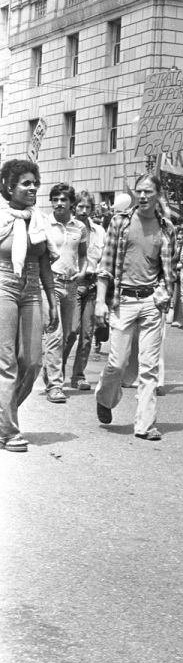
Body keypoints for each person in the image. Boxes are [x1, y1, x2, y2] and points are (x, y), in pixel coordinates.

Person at [94, 173, 175, 440]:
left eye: (148, 192)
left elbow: (168, 271)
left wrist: (163, 295)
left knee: (149, 368)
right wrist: (100, 302)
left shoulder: (167, 229)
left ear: (157, 195)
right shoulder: (120, 223)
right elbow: (105, 266)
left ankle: (145, 425)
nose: (142, 196)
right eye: (139, 191)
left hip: (151, 302)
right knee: (117, 364)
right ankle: (105, 398)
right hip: (123, 300)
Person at [0, 160, 58, 452]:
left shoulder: (41, 220)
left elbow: (45, 262)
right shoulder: (1, 219)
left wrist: (53, 299)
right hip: (3, 286)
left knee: (33, 360)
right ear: (9, 187)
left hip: (33, 289)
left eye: (35, 182)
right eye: (25, 183)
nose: (33, 187)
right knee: (6, 362)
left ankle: (2, 417)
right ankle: (9, 431)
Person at [43, 183, 88, 403]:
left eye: (63, 199)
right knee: (55, 334)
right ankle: (54, 385)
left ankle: (49, 371)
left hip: (71, 286)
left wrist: (82, 272)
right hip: (50, 285)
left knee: (71, 333)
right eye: (55, 199)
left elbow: (84, 255)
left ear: (71, 203)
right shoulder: (44, 224)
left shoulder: (79, 227)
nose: (59, 203)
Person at [66, 191, 106, 391]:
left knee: (87, 334)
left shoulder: (99, 231)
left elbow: (104, 260)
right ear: (74, 207)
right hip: (73, 284)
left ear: (92, 209)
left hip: (92, 285)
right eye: (80, 206)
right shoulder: (69, 228)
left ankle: (78, 375)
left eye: (87, 207)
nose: (83, 210)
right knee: (71, 331)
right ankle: (55, 371)